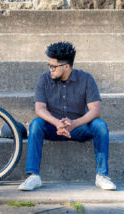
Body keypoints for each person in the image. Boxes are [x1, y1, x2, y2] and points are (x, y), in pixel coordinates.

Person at [18, 41, 116, 191]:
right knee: (36, 124)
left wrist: (74, 123)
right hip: (53, 127)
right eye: (49, 65)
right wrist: (57, 123)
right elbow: (39, 109)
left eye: (54, 66)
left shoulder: (86, 78)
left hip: (77, 128)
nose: (50, 69)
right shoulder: (44, 79)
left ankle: (102, 175)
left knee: (100, 125)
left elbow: (95, 110)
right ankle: (33, 176)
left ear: (66, 67)